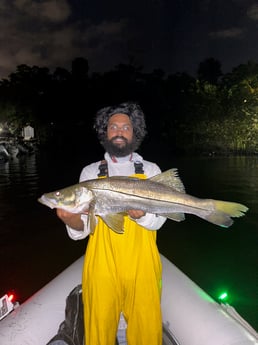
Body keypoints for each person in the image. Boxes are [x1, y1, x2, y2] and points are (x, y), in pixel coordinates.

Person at [56, 101, 167, 345]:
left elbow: (159, 221)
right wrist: (70, 218)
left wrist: (144, 215)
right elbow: (82, 230)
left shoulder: (150, 170)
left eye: (125, 127)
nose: (119, 131)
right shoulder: (90, 173)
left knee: (147, 331)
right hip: (101, 265)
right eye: (113, 127)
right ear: (104, 133)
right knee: (98, 331)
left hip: (143, 264)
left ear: (134, 132)